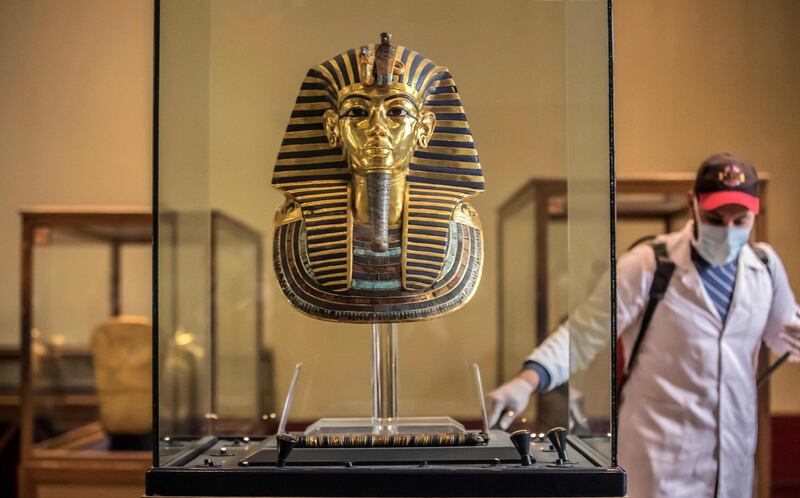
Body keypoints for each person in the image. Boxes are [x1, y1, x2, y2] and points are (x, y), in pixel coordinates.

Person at [489, 153, 800, 498]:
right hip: (658, 466)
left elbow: (785, 334)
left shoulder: (765, 266)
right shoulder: (649, 265)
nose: (728, 232)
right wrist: (526, 381)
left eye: (740, 220)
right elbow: (581, 335)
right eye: (715, 218)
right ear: (693, 204)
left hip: (735, 465)